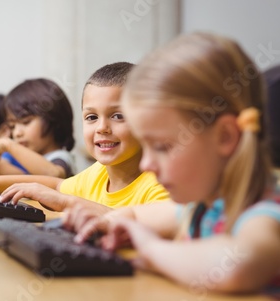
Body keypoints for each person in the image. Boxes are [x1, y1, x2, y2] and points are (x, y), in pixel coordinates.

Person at [64, 32, 280, 295]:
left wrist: (153, 249)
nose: (147, 164)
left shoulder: (264, 215)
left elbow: (235, 265)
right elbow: (135, 214)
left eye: (162, 147)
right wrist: (108, 223)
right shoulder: (197, 208)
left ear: (225, 137)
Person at [0, 63, 168, 212]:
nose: (102, 128)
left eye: (117, 116)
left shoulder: (160, 185)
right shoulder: (97, 174)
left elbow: (139, 227)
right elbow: (55, 185)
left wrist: (66, 203)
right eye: (92, 117)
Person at [0, 78, 77, 178]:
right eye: (12, 126)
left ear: (53, 118)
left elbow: (53, 174)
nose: (17, 133)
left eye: (26, 122)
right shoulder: (32, 160)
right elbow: (20, 177)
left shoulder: (61, 157)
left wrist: (8, 144)